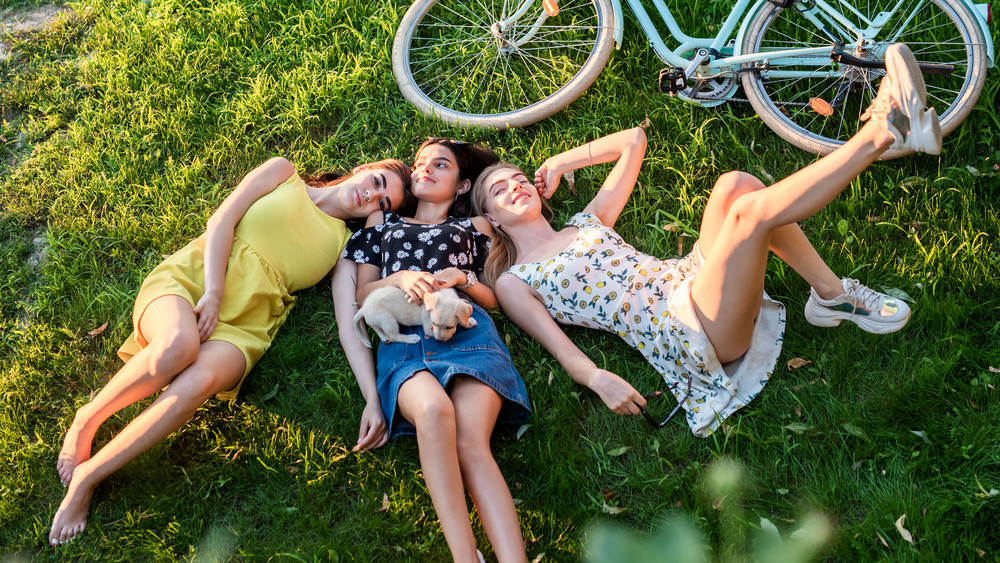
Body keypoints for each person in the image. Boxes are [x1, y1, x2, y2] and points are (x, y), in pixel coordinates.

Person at [471, 44, 936, 438]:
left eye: (518, 178)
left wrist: (561, 162)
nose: (515, 185)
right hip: (686, 330)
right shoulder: (515, 280)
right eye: (499, 189)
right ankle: (882, 131)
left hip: (688, 280)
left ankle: (832, 298)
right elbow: (562, 349)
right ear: (489, 218)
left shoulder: (586, 223)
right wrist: (597, 379)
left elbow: (633, 140)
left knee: (736, 185)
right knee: (751, 215)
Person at [49, 155, 412, 546]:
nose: (371, 196)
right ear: (363, 168)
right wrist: (214, 292)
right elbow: (220, 220)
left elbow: (348, 321)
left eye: (383, 202)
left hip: (245, 327)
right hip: (196, 282)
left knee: (197, 382)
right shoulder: (283, 173)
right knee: (179, 345)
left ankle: (90, 476)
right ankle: (88, 419)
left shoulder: (344, 248)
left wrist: (373, 399)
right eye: (377, 182)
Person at [338, 138, 530, 563]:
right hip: (404, 341)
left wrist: (459, 277)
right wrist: (402, 277)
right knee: (432, 411)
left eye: (440, 165)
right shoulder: (382, 223)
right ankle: (466, 557)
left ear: (462, 186)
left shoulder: (475, 226)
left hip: (466, 333)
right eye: (421, 163)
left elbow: (493, 297)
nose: (424, 169)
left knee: (470, 442)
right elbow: (364, 291)